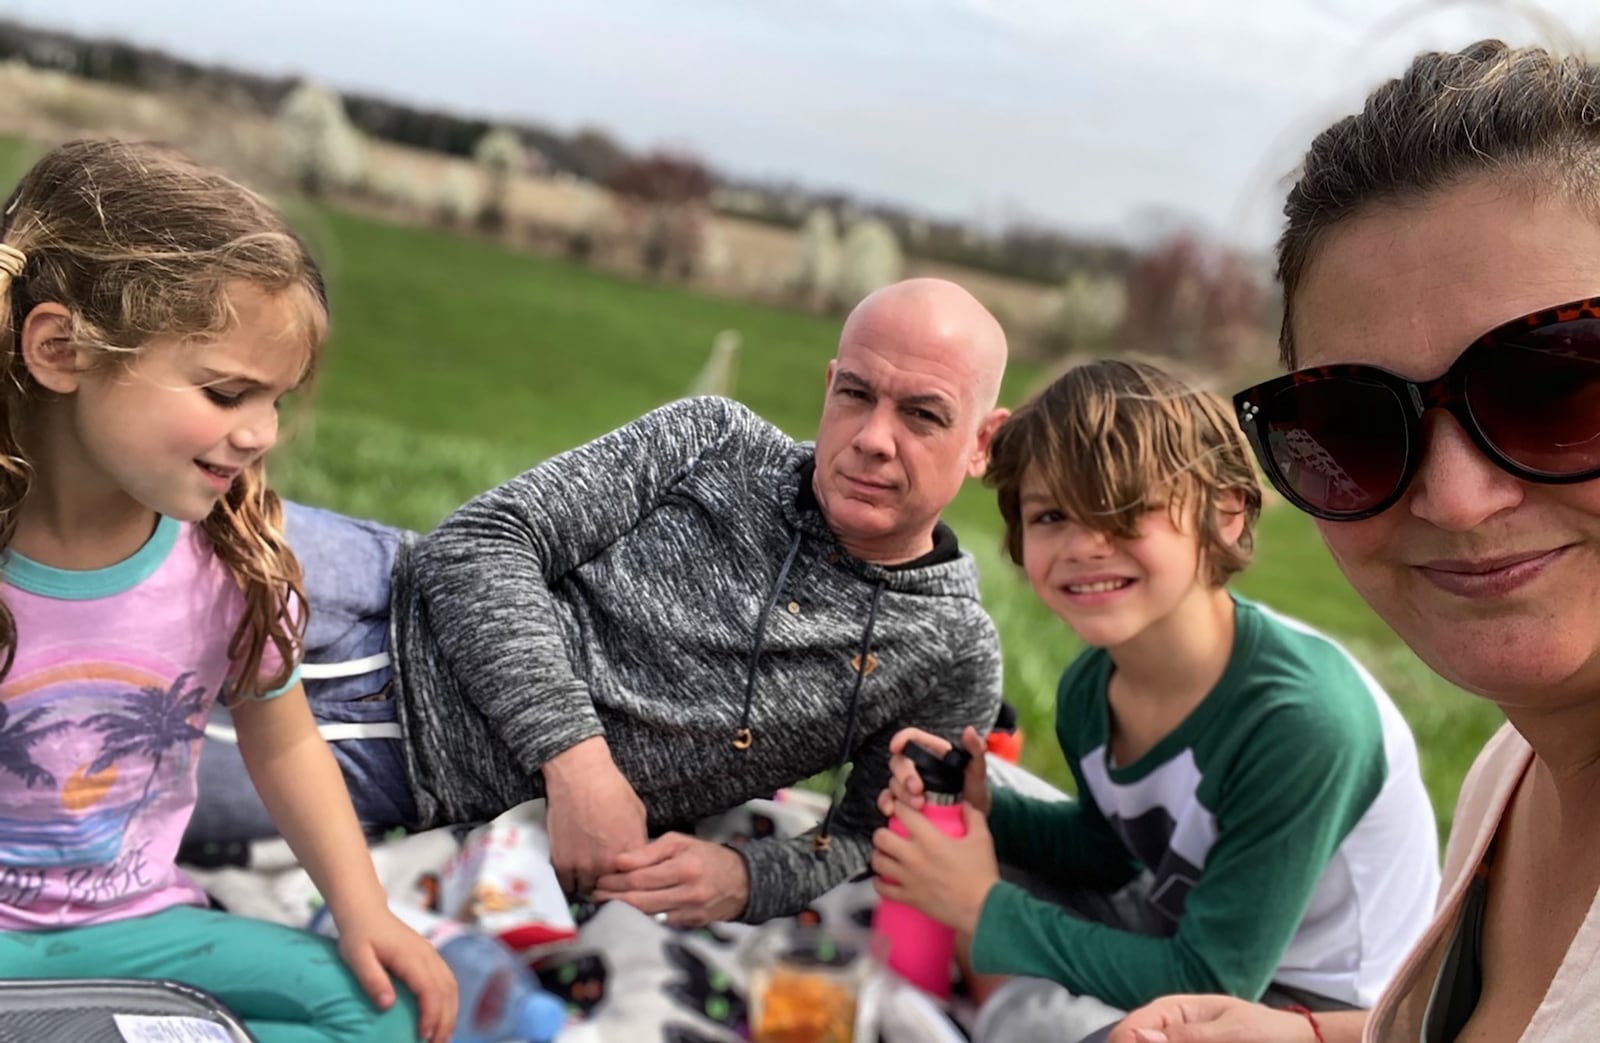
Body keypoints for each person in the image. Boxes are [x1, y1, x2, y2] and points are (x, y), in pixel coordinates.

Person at [190, 276, 1011, 926]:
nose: (873, 435)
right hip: (365, 586)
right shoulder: (713, 441)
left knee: (79, 785)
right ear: (829, 384)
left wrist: (747, 877)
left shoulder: (949, 650)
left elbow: (871, 835)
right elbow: (479, 543)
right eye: (857, 394)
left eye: (923, 415)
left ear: (982, 442)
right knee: (132, 532)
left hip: (391, 757)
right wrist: (578, 763)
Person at [1109, 38, 1600, 1043]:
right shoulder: (1510, 772)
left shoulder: (1307, 717)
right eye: (1351, 425)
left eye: (1557, 384)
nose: (1457, 499)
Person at [0, 139, 457, 1043]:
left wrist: (366, 910)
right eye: (226, 392)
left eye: (277, 399)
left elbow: (287, 750)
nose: (260, 433)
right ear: (61, 350)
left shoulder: (230, 566)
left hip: (135, 928)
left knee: (382, 1012)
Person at [871, 359, 1439, 1043]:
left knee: (1076, 1023)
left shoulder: (1301, 721)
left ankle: (999, 999)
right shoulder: (1093, 686)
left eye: (1124, 510)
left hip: (1298, 1008)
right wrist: (981, 804)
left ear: (1226, 515)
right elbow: (1112, 851)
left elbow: (1210, 987)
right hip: (1183, 921)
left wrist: (983, 907)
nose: (1084, 545)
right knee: (979, 803)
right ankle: (996, 984)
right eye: (1051, 514)